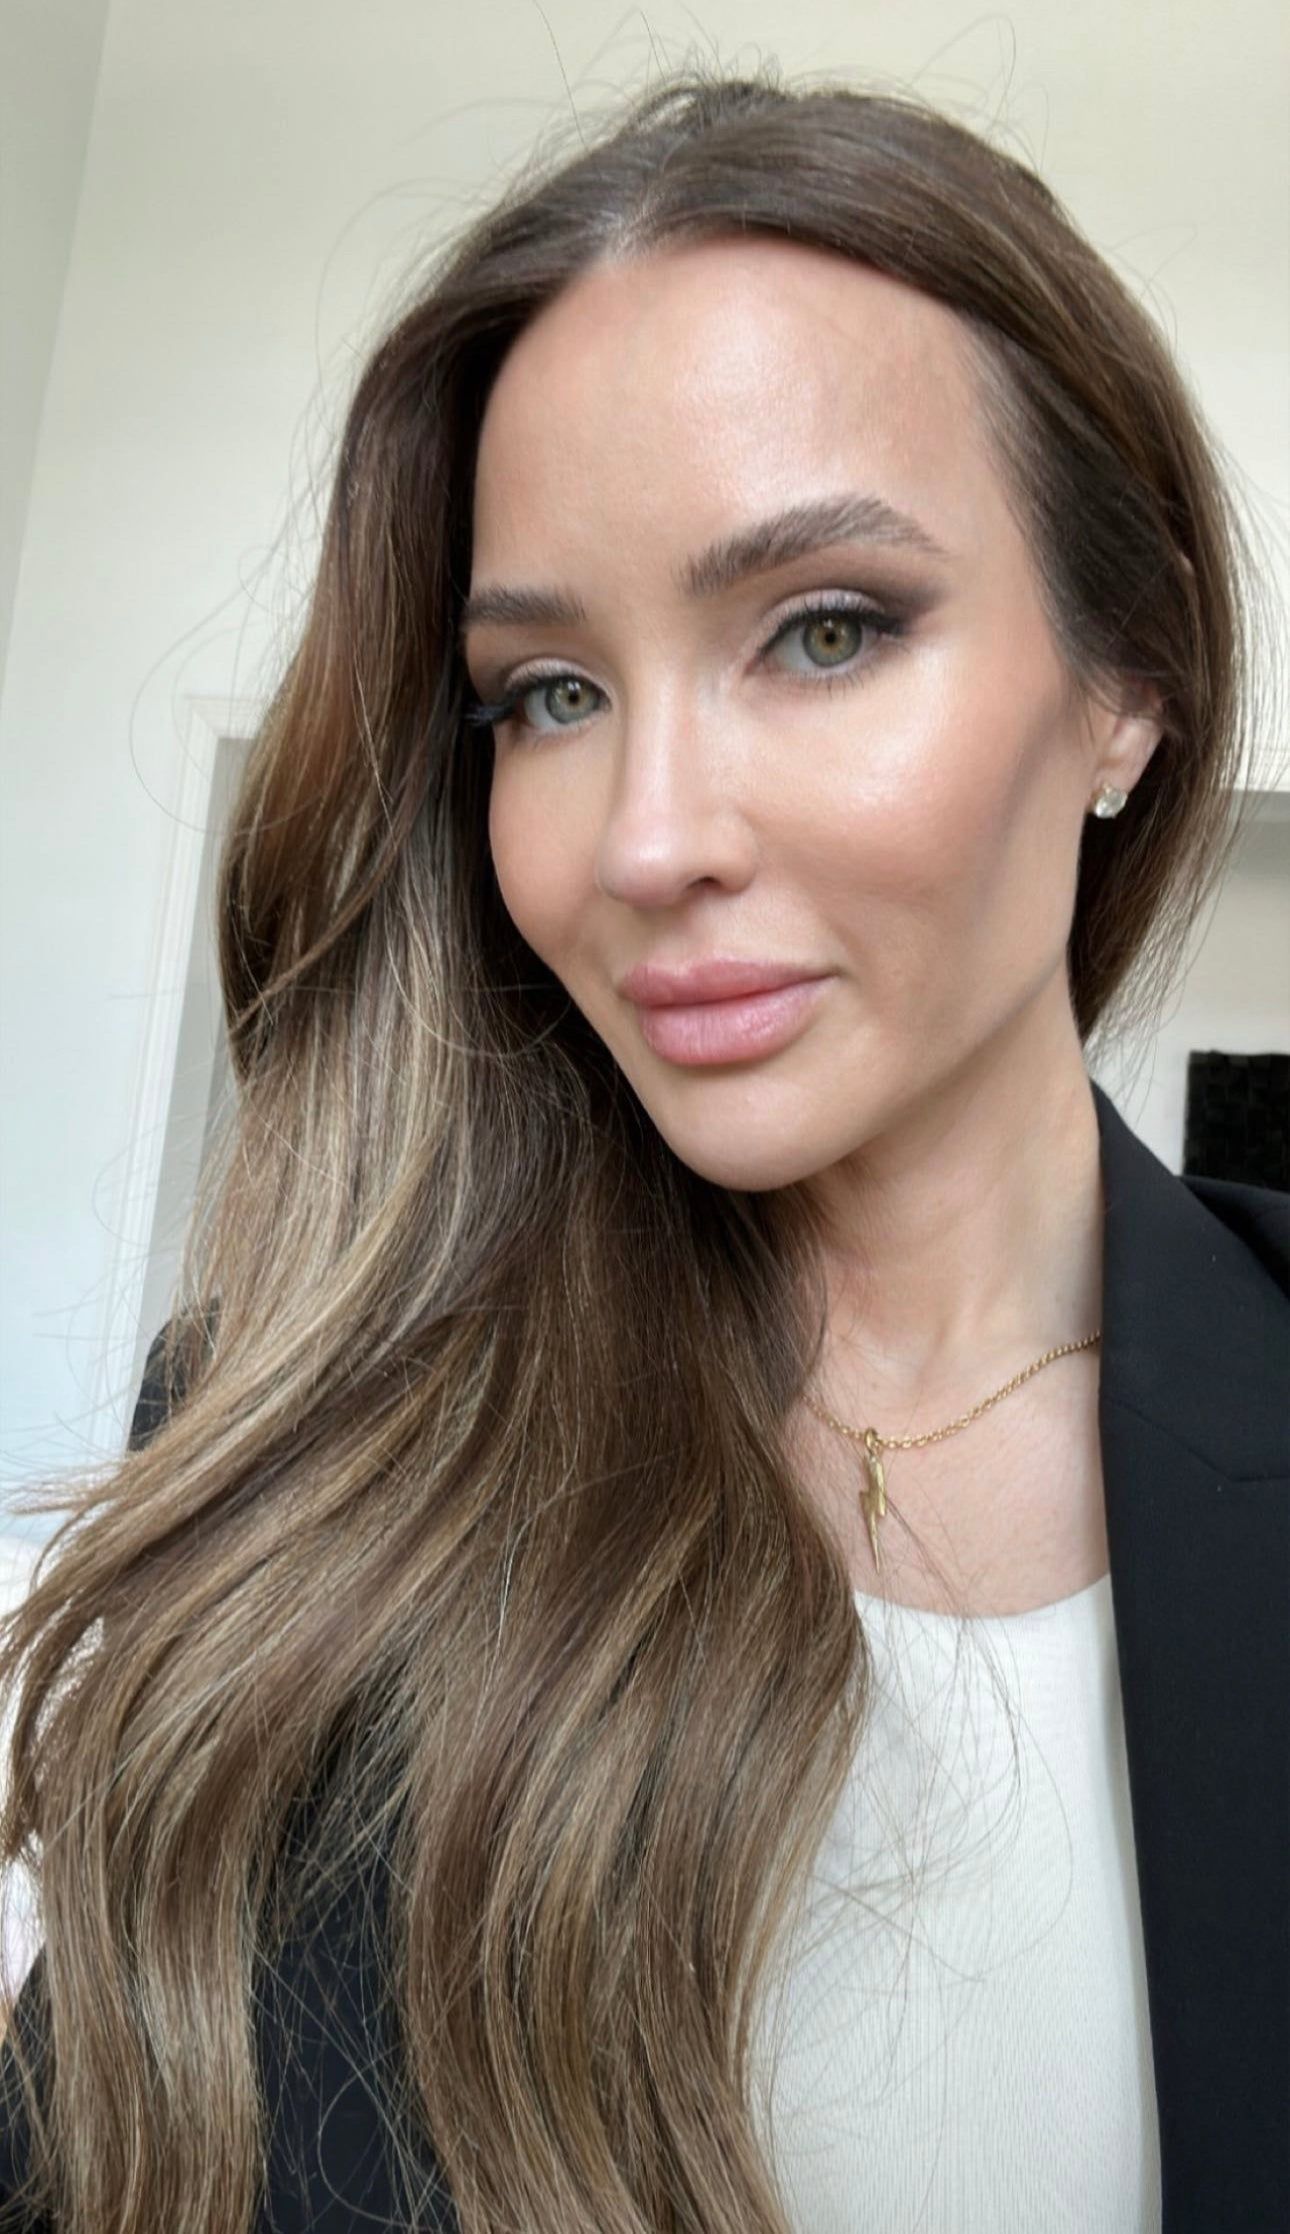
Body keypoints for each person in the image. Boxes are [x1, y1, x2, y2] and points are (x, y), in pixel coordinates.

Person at [2, 60, 1287, 2234]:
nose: (648, 842)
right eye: (549, 696)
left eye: (825, 629)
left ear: (1126, 677)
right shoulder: (309, 1454)